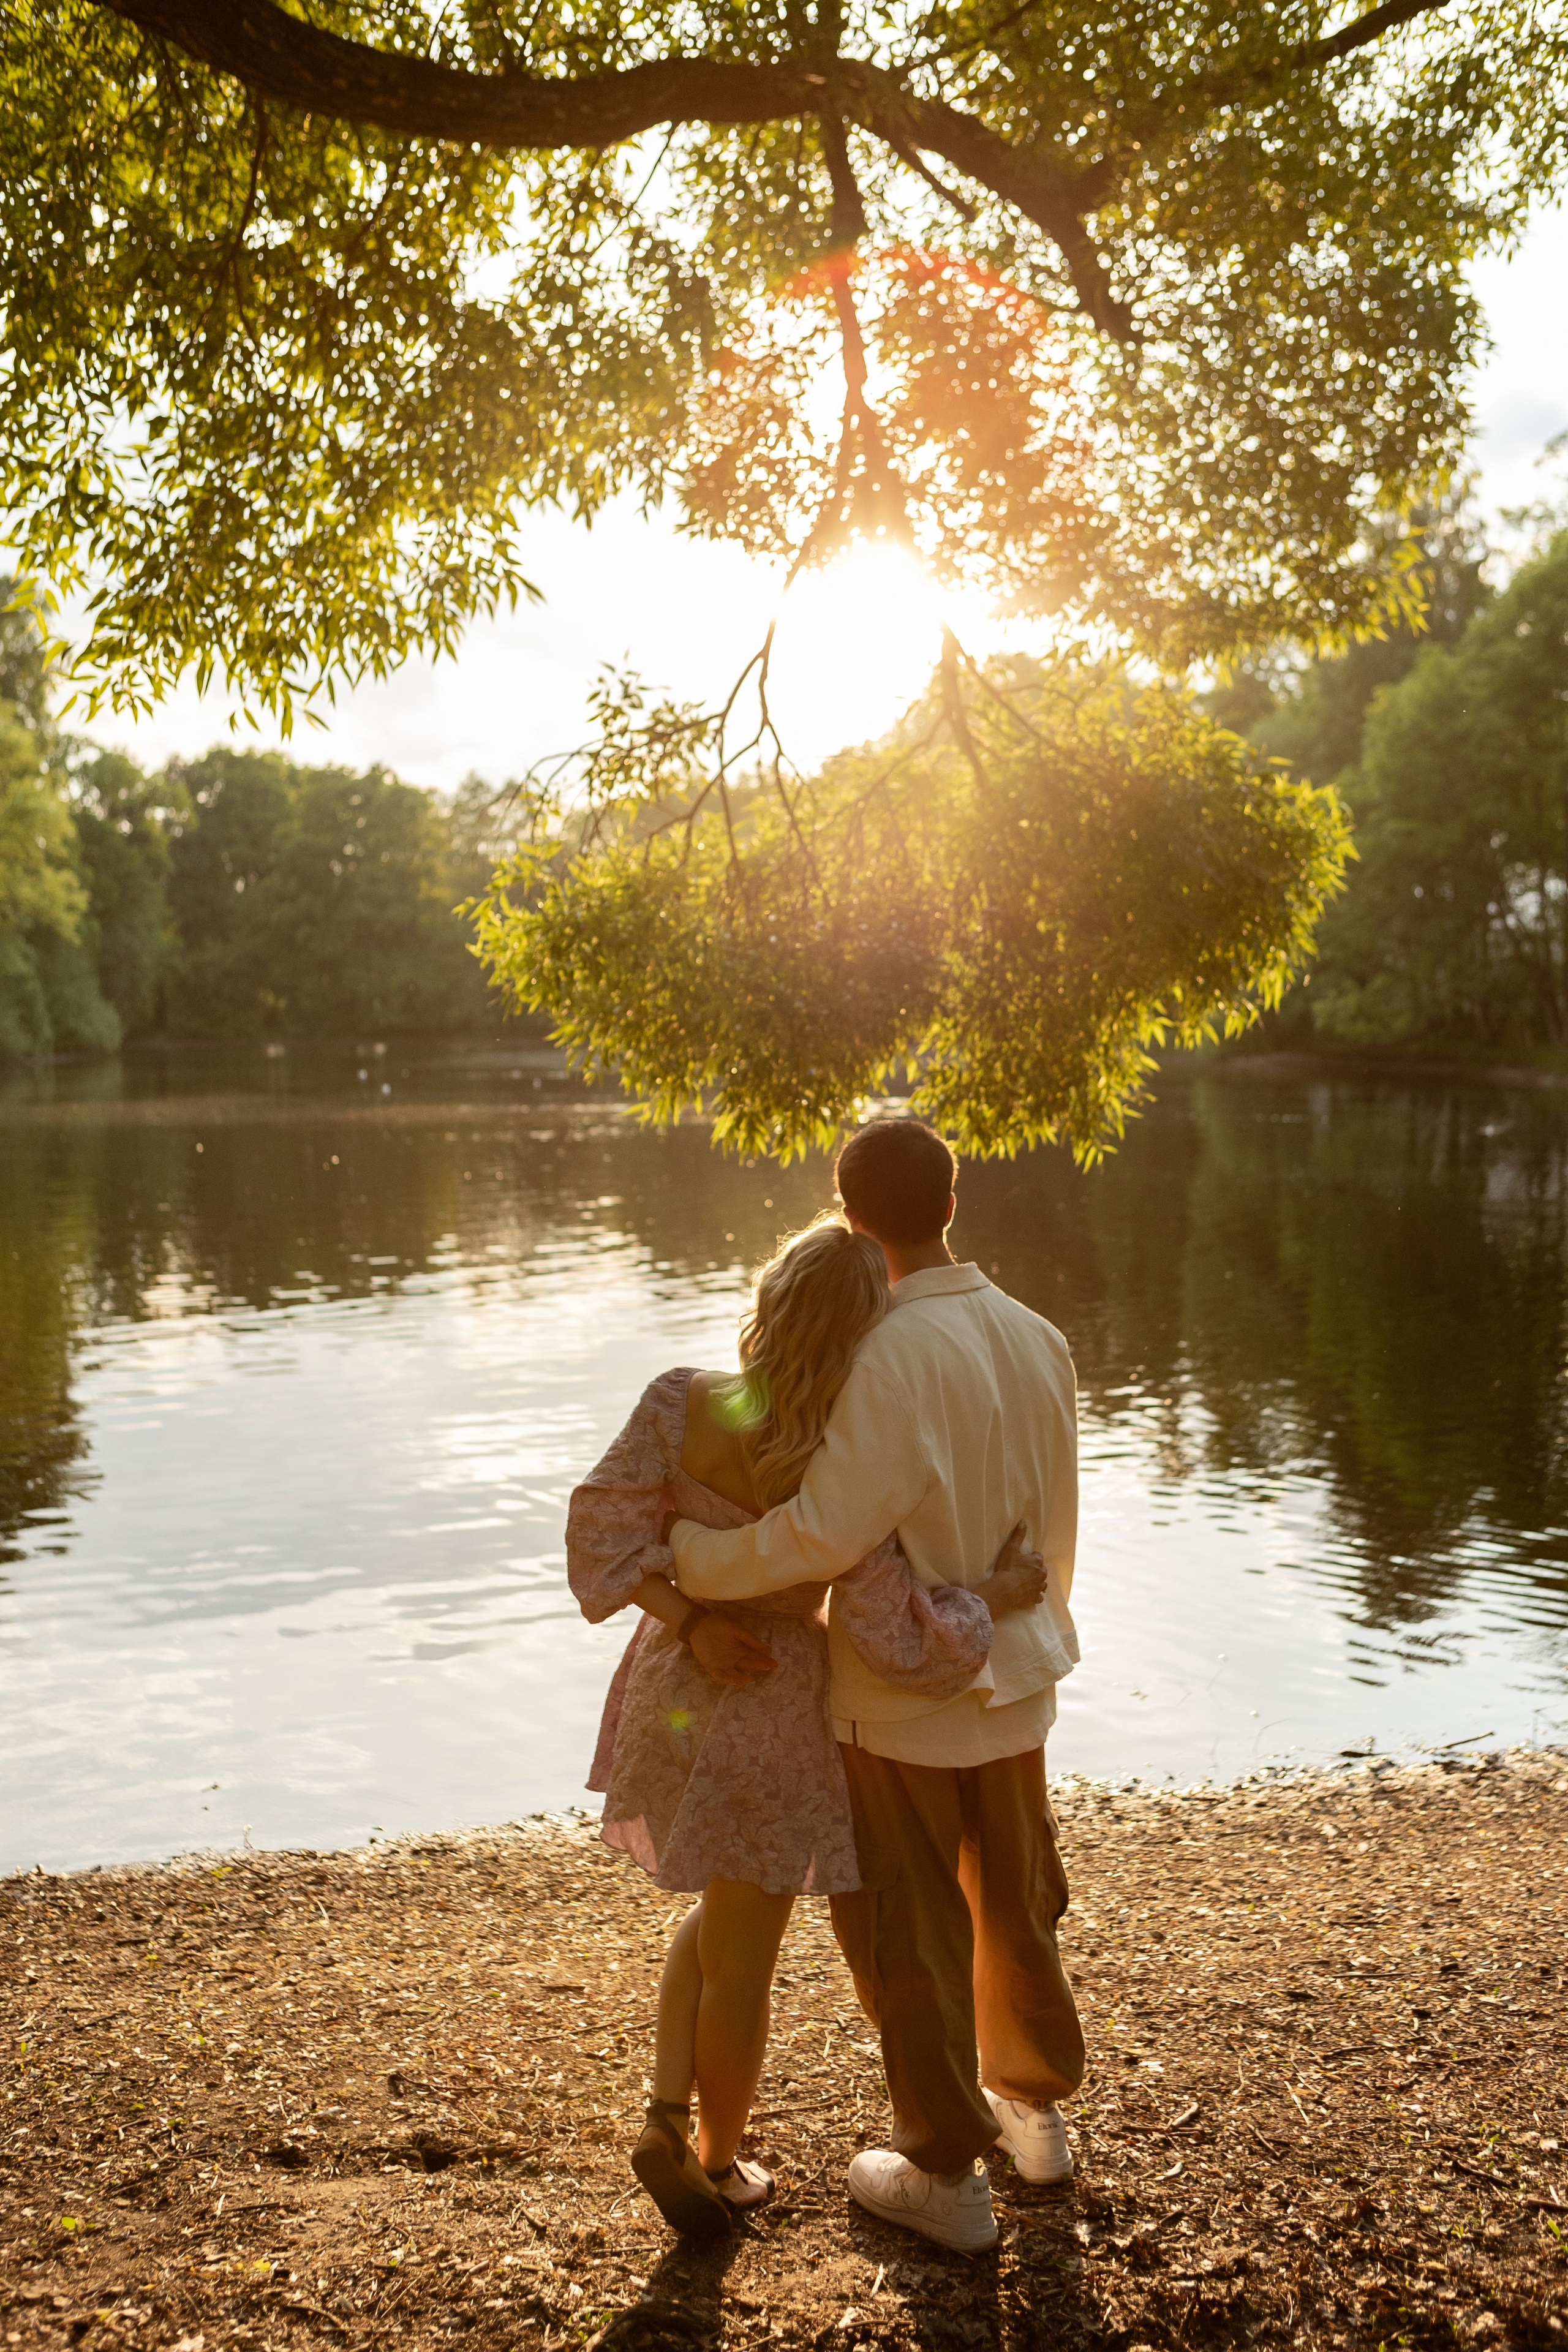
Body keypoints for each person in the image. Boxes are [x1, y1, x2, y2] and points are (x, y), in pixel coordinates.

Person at [566, 1215, 1047, 2242]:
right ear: (861, 1333)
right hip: (773, 1711)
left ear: (770, 1296)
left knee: (719, 1917)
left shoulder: (681, 1398)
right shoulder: (834, 1450)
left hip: (675, 1685)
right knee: (746, 1951)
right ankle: (718, 2163)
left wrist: (691, 1621)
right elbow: (892, 1627)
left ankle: (662, 2114)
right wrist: (995, 1595)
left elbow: (603, 1532)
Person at [668, 1116, 1083, 2253]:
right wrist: (1019, 1629)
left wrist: (695, 1565)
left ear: (851, 1218)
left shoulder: (882, 1353)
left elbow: (821, 1533)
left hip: (902, 1701)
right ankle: (1035, 2114)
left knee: (910, 1928)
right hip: (1018, 1673)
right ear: (952, 1202)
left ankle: (948, 2173)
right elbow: (1055, 1529)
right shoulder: (1042, 1338)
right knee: (1016, 1897)